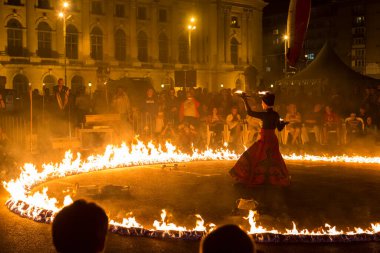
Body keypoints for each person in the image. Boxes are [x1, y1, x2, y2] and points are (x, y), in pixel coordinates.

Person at [230, 92, 290, 186]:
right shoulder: (276, 114)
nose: (262, 104)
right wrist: (283, 124)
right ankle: (269, 178)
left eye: (262, 103)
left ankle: (250, 177)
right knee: (272, 159)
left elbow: (249, 112)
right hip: (273, 140)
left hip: (264, 140)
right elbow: (279, 128)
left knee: (253, 157)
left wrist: (244, 100)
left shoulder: (264, 115)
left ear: (265, 104)